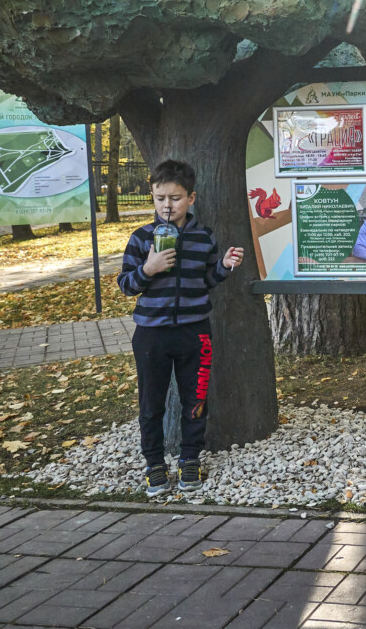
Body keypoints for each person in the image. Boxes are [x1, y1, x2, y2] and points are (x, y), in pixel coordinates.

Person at [117, 159, 243, 497]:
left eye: (174, 198)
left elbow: (206, 280)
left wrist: (224, 266)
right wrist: (149, 268)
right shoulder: (141, 237)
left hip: (194, 332)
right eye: (160, 198)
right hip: (151, 334)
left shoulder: (203, 237)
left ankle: (190, 459)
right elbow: (126, 284)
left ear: (191, 198)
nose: (166, 205)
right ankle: (154, 464)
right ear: (153, 198)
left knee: (195, 400)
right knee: (151, 403)